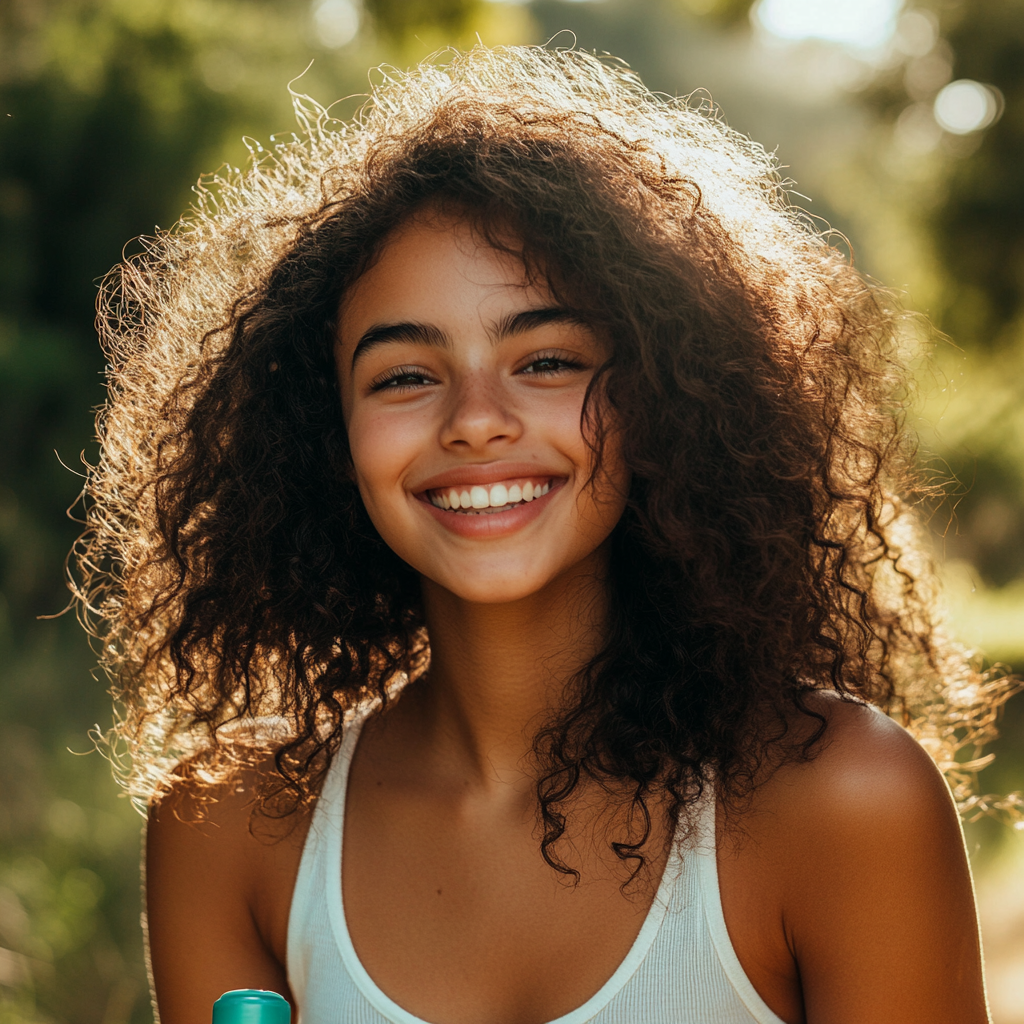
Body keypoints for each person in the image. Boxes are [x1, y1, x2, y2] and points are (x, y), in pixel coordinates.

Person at [76, 45, 1005, 1024]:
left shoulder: (842, 802)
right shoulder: (230, 823)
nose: (475, 418)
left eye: (547, 359)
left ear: (657, 399)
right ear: (326, 438)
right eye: (403, 374)